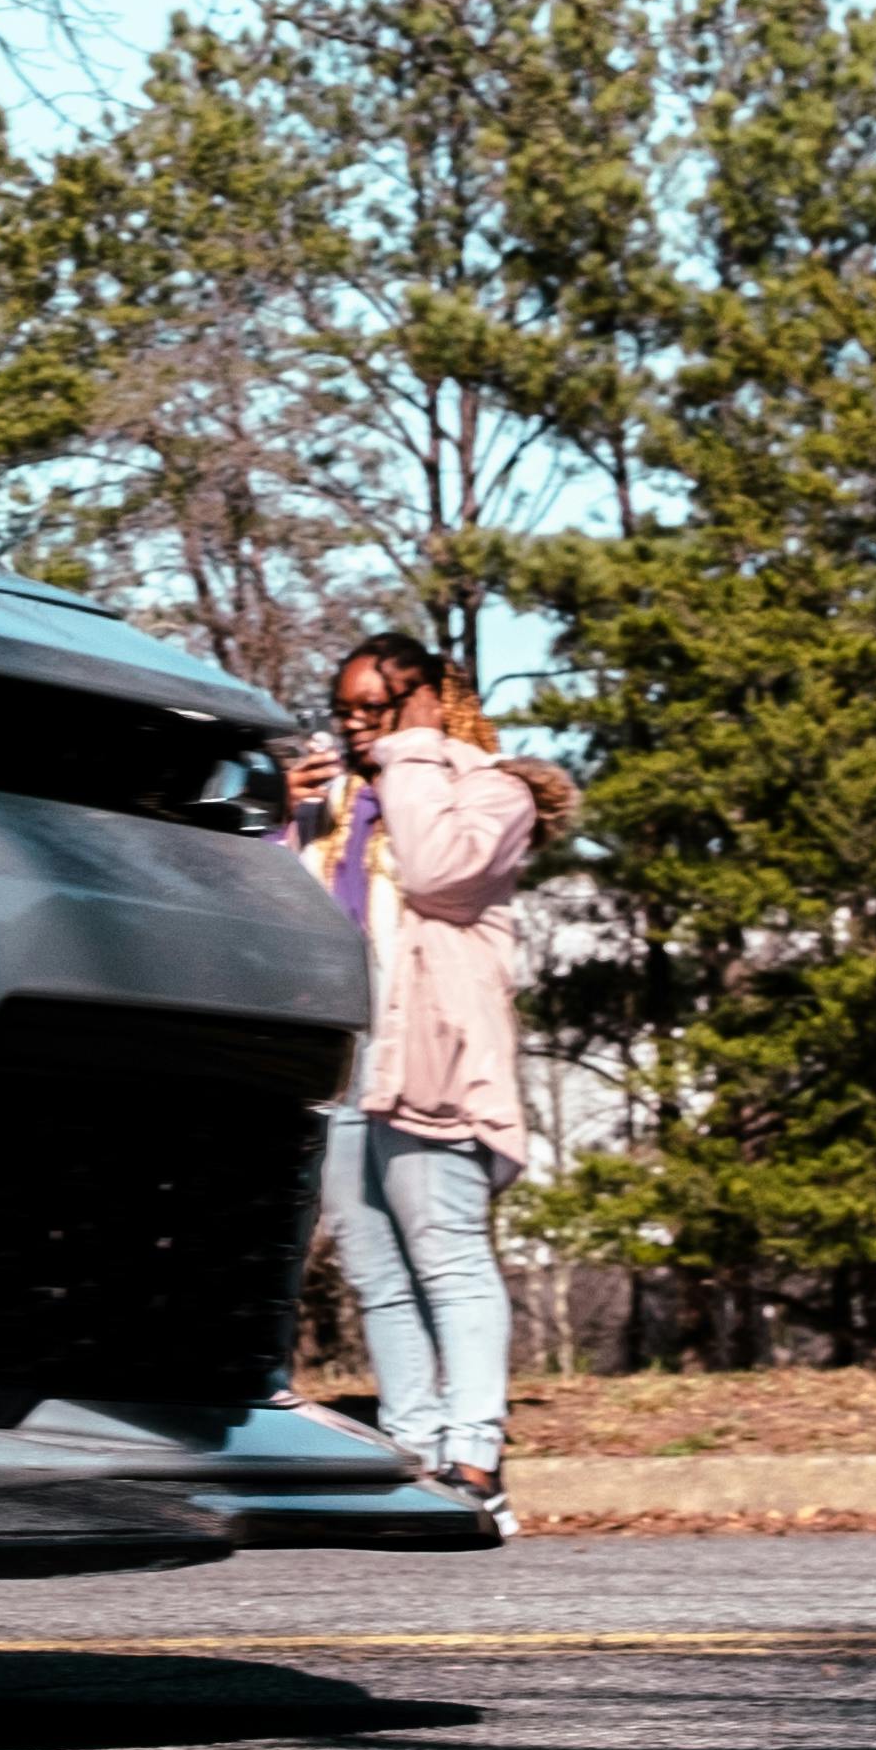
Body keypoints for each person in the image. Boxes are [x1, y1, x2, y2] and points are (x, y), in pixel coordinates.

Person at [286, 635, 557, 1508]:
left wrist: (410, 751)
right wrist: (287, 819)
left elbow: (441, 875)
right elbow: (294, 917)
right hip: (348, 1053)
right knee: (374, 1265)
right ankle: (412, 1444)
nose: (359, 726)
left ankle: (474, 1454)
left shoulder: (492, 789)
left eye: (378, 707)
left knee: (445, 1251)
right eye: (347, 711)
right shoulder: (345, 804)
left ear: (434, 701)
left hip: (429, 1048)